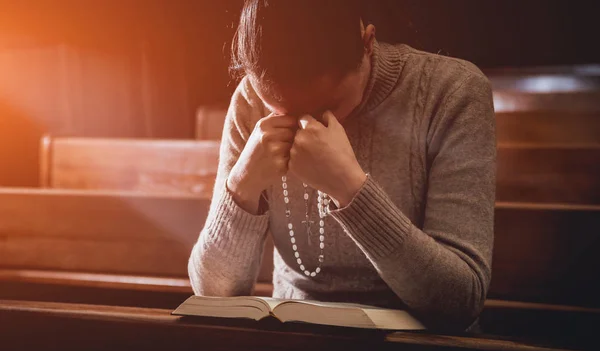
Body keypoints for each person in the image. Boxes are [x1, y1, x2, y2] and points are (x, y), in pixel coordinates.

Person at [188, 0, 496, 331]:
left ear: (368, 43)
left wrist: (349, 189)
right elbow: (212, 294)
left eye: (328, 107)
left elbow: (461, 301)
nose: (304, 125)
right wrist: (242, 187)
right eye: (279, 109)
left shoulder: (453, 92)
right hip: (292, 345)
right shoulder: (250, 100)